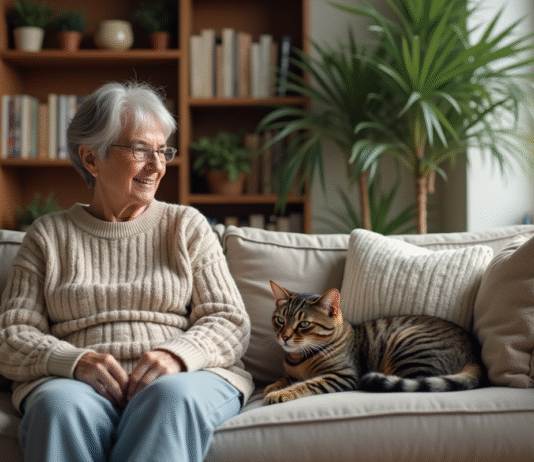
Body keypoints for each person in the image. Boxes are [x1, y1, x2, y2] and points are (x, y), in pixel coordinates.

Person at [0, 81, 254, 462]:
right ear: (91, 159)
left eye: (162, 151)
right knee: (58, 407)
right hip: (77, 384)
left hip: (180, 380)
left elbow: (229, 320)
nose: (157, 165)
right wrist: (72, 361)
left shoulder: (185, 226)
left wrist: (178, 355)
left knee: (169, 398)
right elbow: (11, 335)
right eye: (140, 150)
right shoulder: (49, 236)